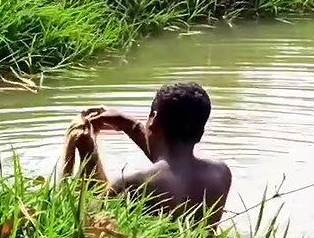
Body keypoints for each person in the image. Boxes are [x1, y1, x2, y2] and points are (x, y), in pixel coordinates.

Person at [63, 81, 233, 227]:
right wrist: (130, 125)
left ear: (154, 119)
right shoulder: (221, 174)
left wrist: (89, 154)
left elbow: (87, 221)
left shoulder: (132, 183)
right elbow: (169, 163)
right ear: (201, 131)